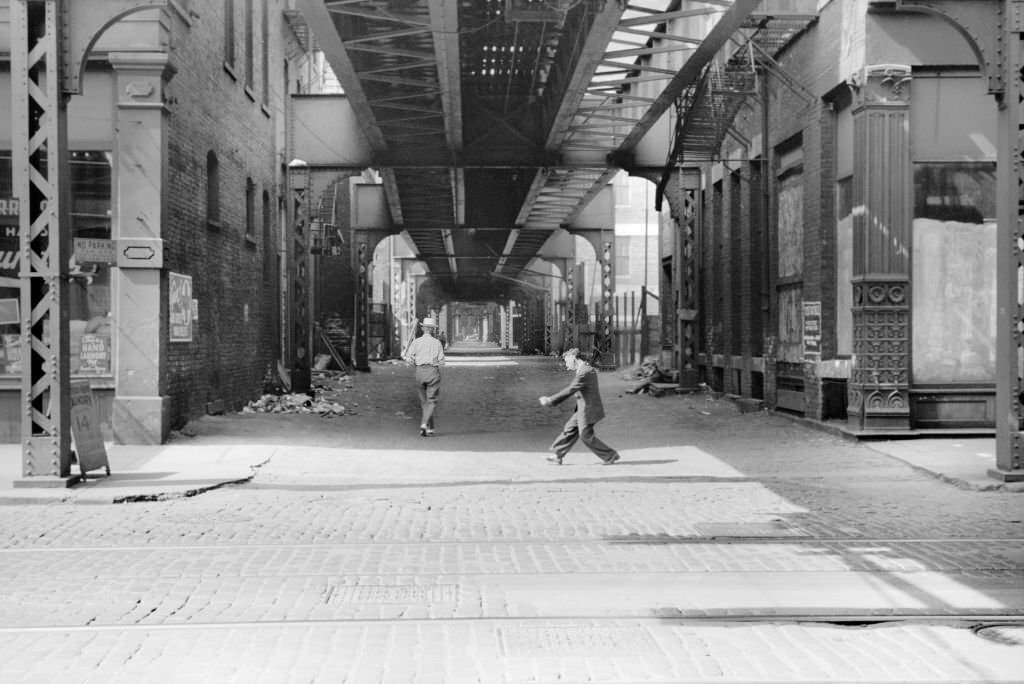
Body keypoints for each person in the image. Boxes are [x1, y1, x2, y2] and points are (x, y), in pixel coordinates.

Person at [538, 348, 620, 465]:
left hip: (588, 410)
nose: (566, 365)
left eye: (567, 361)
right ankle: (558, 454)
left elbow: (571, 389)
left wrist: (550, 400)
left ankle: (610, 455)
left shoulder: (584, 372)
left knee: (586, 436)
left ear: (573, 358)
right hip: (583, 408)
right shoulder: (584, 369)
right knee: (570, 428)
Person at [402, 317, 445, 436]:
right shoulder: (437, 343)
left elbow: (409, 359)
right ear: (432, 330)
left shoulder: (416, 342)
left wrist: (414, 360)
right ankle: (424, 423)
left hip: (419, 372)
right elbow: (441, 361)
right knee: (431, 401)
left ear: (423, 328)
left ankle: (431, 427)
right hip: (432, 372)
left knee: (424, 402)